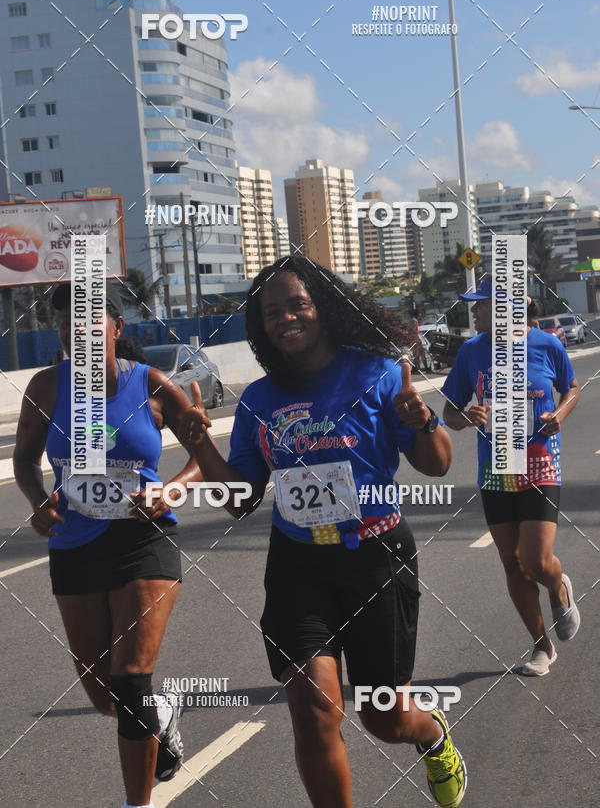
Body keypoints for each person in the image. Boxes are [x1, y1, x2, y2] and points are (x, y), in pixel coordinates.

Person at [178, 256, 467, 808]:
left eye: (297, 304)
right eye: (272, 312)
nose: (286, 317)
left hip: (377, 558)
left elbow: (437, 466)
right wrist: (200, 448)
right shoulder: (260, 400)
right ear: (260, 327)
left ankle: (430, 734)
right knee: (313, 710)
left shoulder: (378, 372)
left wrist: (422, 420)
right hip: (299, 564)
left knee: (385, 718)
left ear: (323, 307)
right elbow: (241, 502)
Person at [13, 282, 202, 808]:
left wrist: (172, 488)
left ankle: (136, 803)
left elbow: (201, 453)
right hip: (75, 545)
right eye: (68, 324)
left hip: (144, 538)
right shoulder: (47, 387)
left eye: (91, 320)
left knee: (132, 679)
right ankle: (160, 715)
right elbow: (25, 458)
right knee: (104, 697)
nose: (79, 331)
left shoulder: (153, 385)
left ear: (116, 328)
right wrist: (37, 500)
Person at [441, 280, 581, 676]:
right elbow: (449, 411)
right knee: (511, 563)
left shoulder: (546, 344)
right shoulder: (470, 352)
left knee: (535, 560)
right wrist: (465, 417)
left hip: (539, 461)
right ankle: (541, 647)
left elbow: (570, 387)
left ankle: (557, 587)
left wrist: (560, 415)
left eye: (480, 306)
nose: (473, 313)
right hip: (498, 464)